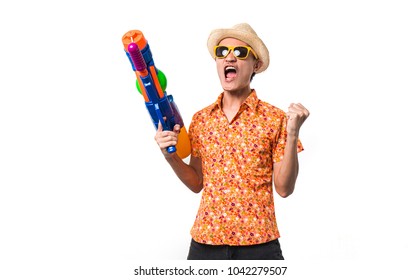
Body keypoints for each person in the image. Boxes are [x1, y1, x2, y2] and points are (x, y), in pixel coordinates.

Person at [154, 23, 309, 260]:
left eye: (240, 53)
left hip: (259, 246)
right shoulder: (202, 119)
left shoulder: (275, 119)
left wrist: (293, 134)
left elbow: (285, 189)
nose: (229, 58)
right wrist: (170, 157)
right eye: (222, 52)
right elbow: (196, 183)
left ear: (255, 65)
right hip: (205, 244)